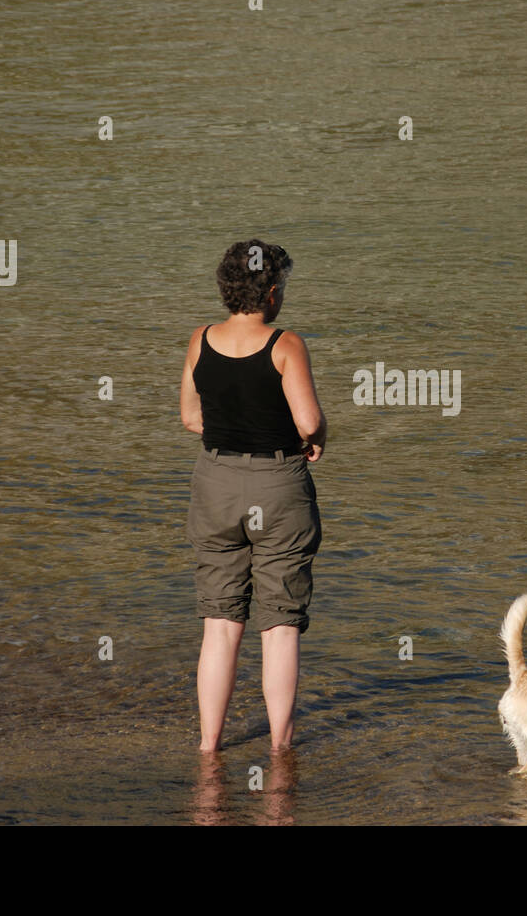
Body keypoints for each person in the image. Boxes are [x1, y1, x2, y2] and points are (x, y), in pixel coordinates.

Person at [181, 239, 326, 752]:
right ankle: (281, 748)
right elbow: (307, 420)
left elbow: (191, 418)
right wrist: (317, 440)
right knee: (280, 625)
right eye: (281, 286)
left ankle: (208, 746)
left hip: (214, 481)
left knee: (220, 623)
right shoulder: (286, 343)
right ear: (269, 292)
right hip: (278, 484)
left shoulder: (200, 338)